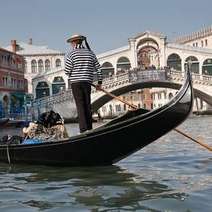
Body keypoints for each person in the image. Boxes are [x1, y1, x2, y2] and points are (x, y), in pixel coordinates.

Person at [65, 34, 102, 133]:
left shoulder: (71, 54)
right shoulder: (90, 53)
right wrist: (99, 82)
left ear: (73, 43)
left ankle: (83, 130)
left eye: (71, 43)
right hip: (87, 82)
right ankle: (89, 128)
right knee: (87, 105)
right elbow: (98, 68)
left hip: (76, 83)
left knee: (80, 106)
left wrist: (75, 72)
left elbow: (67, 71)